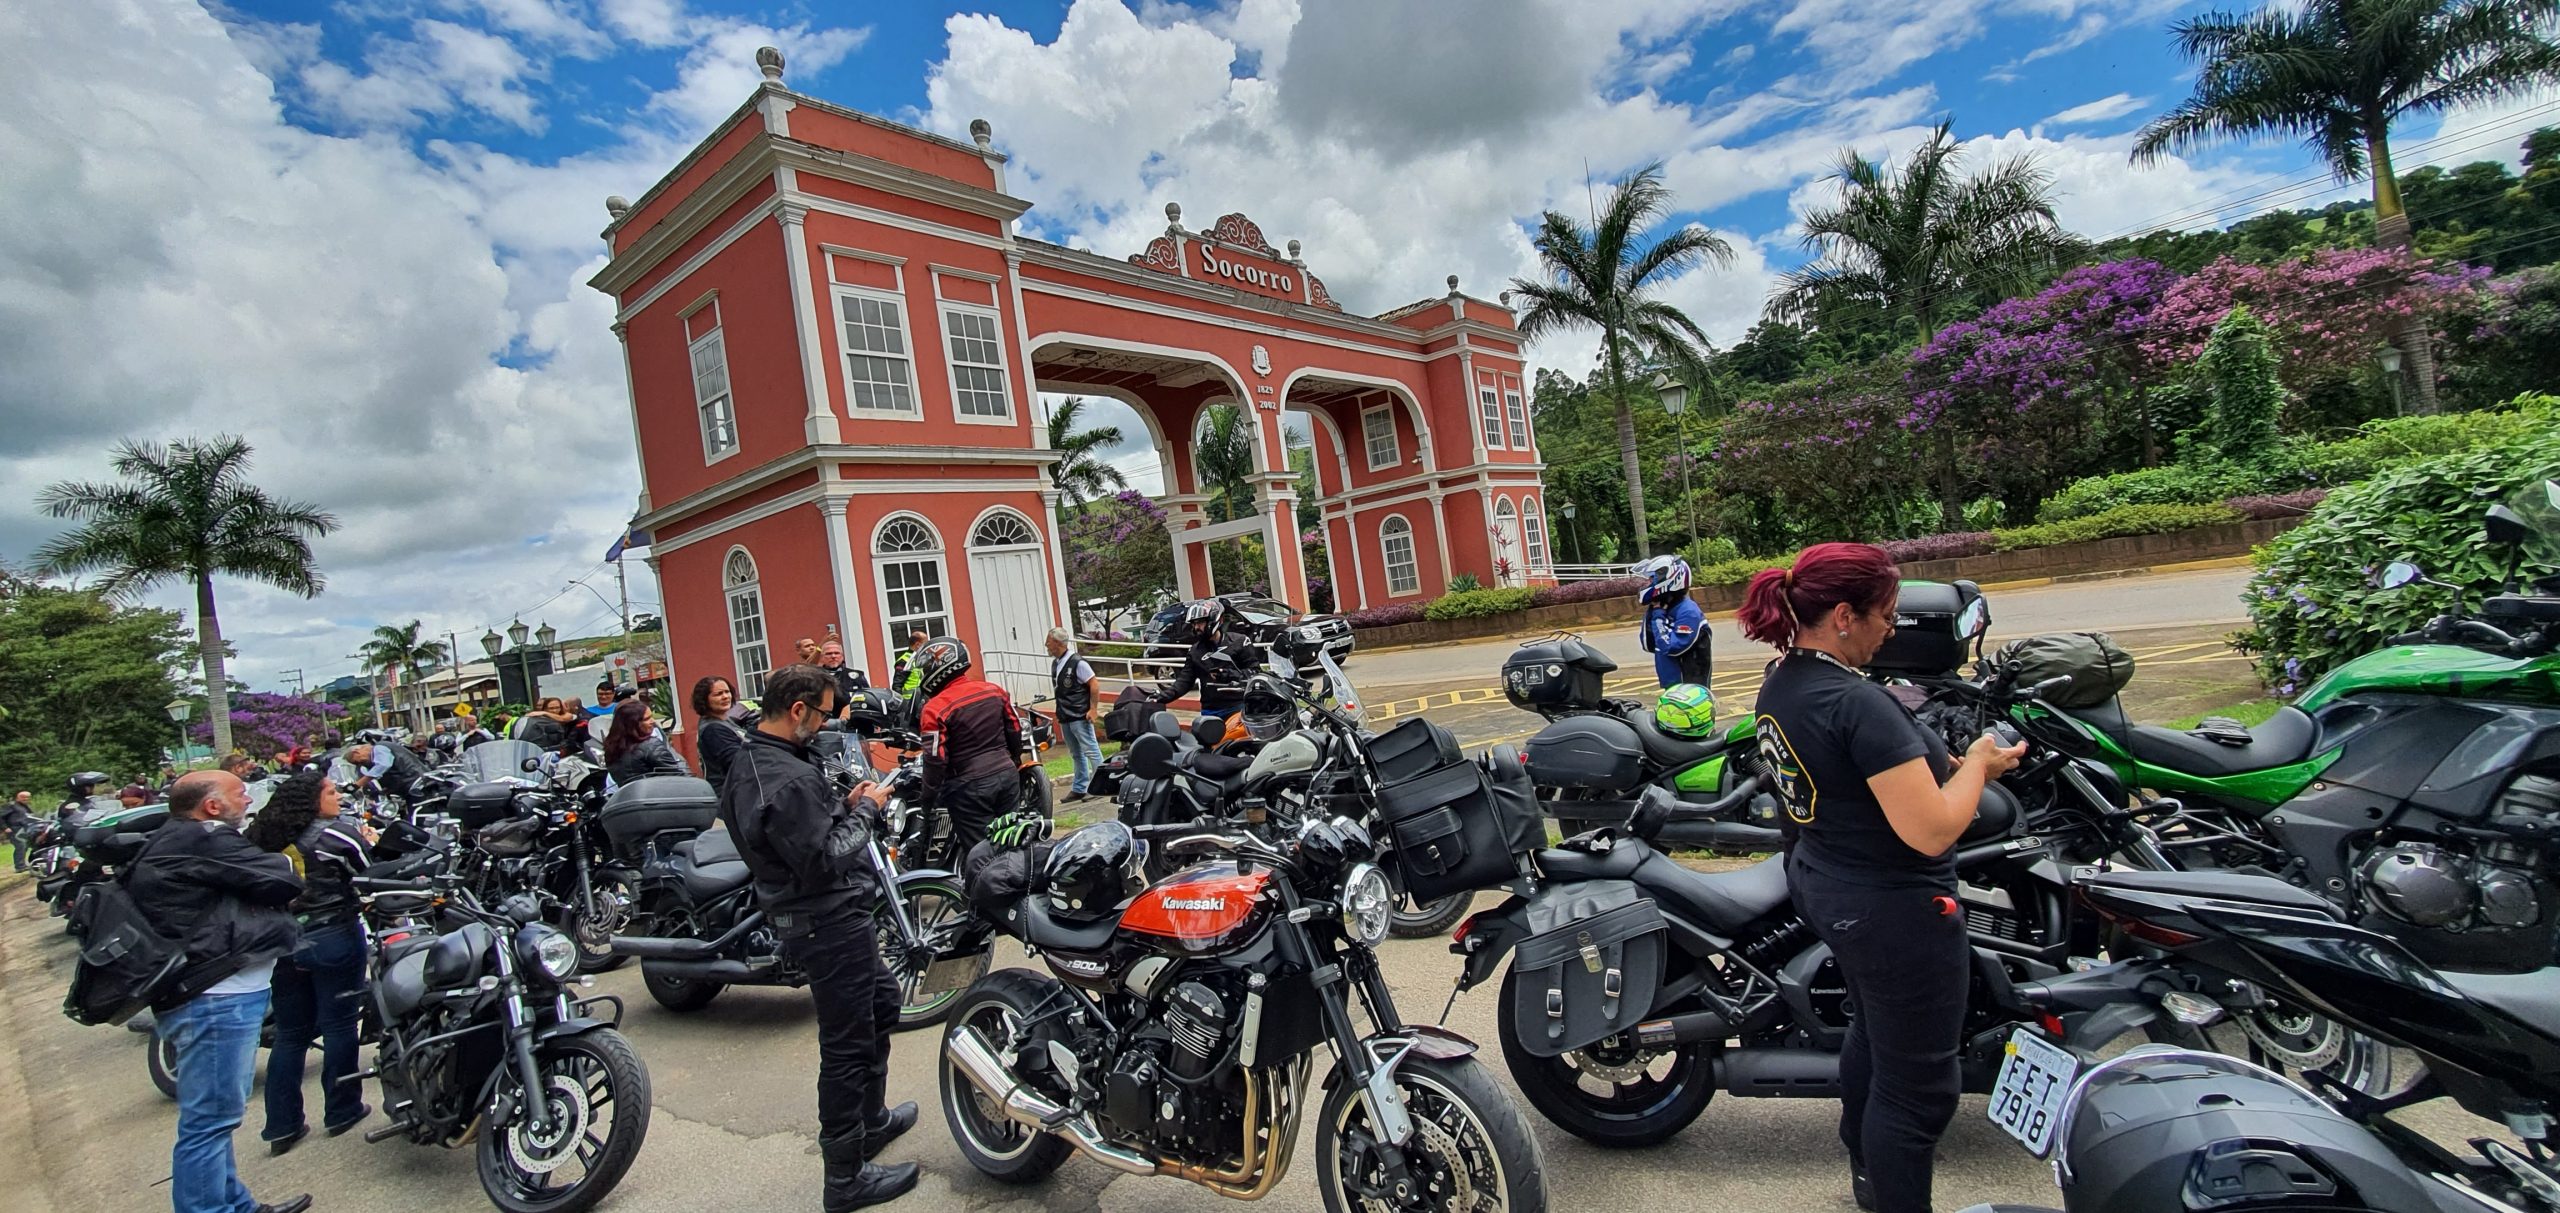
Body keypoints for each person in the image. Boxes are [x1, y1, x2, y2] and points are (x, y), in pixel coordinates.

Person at [1736, 543, 2023, 1213]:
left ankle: (1866, 1164)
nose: (1890, 629)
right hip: (1896, 908)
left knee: (1874, 1025)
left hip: (1830, 884)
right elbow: (1931, 828)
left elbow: (1850, 780)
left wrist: (1943, 762)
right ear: (1843, 615)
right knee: (1918, 1092)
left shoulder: (1783, 680)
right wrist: (1978, 764)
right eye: (1885, 616)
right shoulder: (1856, 702)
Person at [719, 664, 920, 1210]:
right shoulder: (783, 777)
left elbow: (808, 836)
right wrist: (870, 812)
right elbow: (824, 858)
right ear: (799, 710)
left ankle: (870, 1121)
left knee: (880, 1000)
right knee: (846, 1041)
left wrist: (846, 807)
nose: (830, 722)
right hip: (824, 917)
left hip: (823, 911)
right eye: (826, 713)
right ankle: (845, 1177)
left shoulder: (762, 761)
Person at [128, 770, 310, 1213]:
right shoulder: (204, 838)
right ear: (212, 805)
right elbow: (282, 878)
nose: (247, 799)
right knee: (208, 1123)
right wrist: (284, 865)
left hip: (211, 992)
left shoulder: (177, 838)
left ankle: (235, 1205)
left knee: (215, 1119)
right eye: (240, 793)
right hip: (216, 996)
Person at [245, 768, 375, 1153]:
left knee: (290, 1034)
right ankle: (342, 1110)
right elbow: (369, 874)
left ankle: (281, 1126)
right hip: (333, 934)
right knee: (339, 1026)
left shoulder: (259, 839)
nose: (337, 797)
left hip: (284, 942)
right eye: (331, 791)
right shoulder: (336, 833)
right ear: (312, 800)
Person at [913, 637, 1034, 866]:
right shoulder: (993, 690)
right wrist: (1013, 760)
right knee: (1012, 842)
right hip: (1006, 776)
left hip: (968, 786)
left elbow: (935, 759)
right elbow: (1015, 730)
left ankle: (993, 899)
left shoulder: (935, 708)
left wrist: (927, 798)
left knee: (984, 855)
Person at [1156, 600, 1264, 740]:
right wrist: (1162, 696)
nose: (1196, 627)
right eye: (1194, 624)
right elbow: (1184, 681)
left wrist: (1230, 675)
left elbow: (1255, 673)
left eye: (1200, 622)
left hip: (1238, 707)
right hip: (1210, 711)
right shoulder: (1195, 651)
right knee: (1208, 749)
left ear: (1216, 620)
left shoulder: (1240, 642)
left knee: (1240, 745)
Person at [1637, 555, 1713, 688]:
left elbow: (1672, 647)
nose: (1649, 583)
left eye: (1652, 579)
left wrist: (1658, 618)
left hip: (1689, 687)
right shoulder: (1665, 607)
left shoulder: (1688, 611)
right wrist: (1654, 610)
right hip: (1672, 684)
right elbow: (1649, 643)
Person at [1045, 628, 1103, 802]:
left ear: (1058, 642)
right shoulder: (1056, 663)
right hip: (1065, 716)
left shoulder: (1078, 662)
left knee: (1091, 750)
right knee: (1076, 753)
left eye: (1048, 641)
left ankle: (1100, 786)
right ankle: (1080, 787)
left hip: (1079, 715)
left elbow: (1094, 685)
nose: (1046, 644)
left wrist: (1093, 709)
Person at [603, 699, 692, 783]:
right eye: (647, 719)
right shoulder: (651, 746)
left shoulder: (611, 749)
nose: (652, 721)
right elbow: (678, 779)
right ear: (633, 723)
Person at [691, 675, 755, 792]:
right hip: (729, 793)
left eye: (727, 692)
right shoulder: (713, 729)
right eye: (718, 694)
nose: (725, 697)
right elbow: (738, 762)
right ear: (704, 699)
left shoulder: (724, 720)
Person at [345, 738, 428, 804]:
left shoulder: (379, 748)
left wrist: (357, 785)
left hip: (417, 783)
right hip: (410, 787)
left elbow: (384, 765)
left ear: (356, 752)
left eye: (356, 761)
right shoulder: (371, 761)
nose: (359, 764)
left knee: (418, 816)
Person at [818, 638, 870, 714]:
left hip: (853, 718)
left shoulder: (856, 676)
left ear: (842, 656)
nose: (833, 656)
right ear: (822, 657)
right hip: (825, 720)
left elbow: (867, 698)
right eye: (828, 653)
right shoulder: (815, 676)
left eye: (837, 653)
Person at [890, 630, 928, 696]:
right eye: (925, 644)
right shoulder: (904, 661)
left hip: (920, 699)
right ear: (918, 645)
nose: (927, 646)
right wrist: (901, 704)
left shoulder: (919, 658)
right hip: (909, 702)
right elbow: (897, 685)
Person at [5, 789, 33, 871]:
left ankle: (22, 864)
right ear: (18, 797)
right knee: (20, 846)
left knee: (25, 846)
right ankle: (19, 866)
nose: (26, 799)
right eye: (24, 797)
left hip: (24, 828)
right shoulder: (11, 805)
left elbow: (30, 815)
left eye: (28, 797)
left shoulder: (24, 806)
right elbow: (1, 817)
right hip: (14, 829)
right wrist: (5, 827)